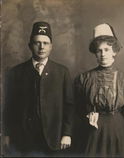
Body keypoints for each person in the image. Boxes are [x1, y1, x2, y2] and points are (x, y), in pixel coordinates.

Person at [4, 21, 75, 156]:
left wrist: (67, 133)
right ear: (30, 46)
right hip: (24, 139)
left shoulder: (62, 72)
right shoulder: (16, 72)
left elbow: (69, 106)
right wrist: (7, 134)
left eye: (46, 43)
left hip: (53, 137)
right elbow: (10, 107)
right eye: (37, 43)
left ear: (51, 46)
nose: (42, 47)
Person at [74, 23, 124, 157]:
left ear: (114, 51)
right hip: (94, 129)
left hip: (118, 127)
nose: (103, 54)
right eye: (99, 50)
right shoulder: (84, 78)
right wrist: (88, 116)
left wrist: (116, 120)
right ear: (95, 53)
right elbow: (78, 105)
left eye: (106, 49)